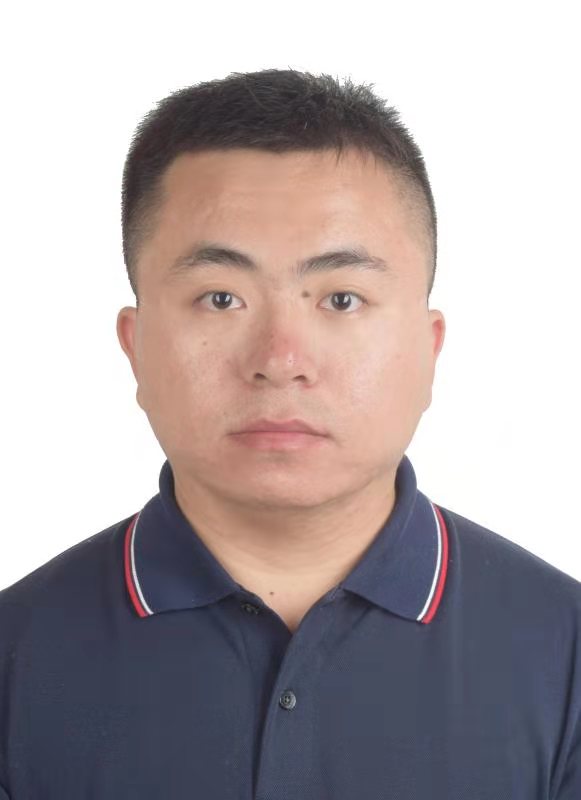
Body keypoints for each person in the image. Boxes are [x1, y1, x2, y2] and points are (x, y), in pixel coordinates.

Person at [0, 68, 579, 799]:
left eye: (341, 298)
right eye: (220, 298)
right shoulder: (15, 662)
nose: (280, 361)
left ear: (428, 348)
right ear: (135, 345)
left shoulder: (566, 657)